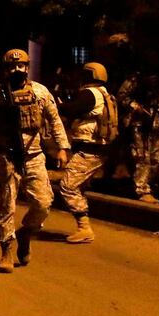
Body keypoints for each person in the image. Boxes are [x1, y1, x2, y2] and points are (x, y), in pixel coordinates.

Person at [0, 48, 70, 273]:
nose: (16, 70)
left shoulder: (40, 92)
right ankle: (7, 249)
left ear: (27, 67)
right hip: (5, 156)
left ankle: (26, 233)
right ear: (5, 70)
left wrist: (62, 148)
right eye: (11, 67)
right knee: (6, 206)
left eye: (20, 66)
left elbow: (54, 120)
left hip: (34, 156)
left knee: (43, 203)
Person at [58, 62, 118, 243]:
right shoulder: (104, 93)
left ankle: (84, 228)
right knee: (79, 186)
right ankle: (83, 227)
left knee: (68, 186)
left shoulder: (90, 93)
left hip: (90, 149)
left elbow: (73, 109)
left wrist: (59, 104)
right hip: (99, 148)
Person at [117, 72, 159, 203]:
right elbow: (122, 96)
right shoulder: (136, 79)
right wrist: (135, 107)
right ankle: (142, 189)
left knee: (157, 158)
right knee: (142, 157)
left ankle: (148, 184)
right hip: (140, 123)